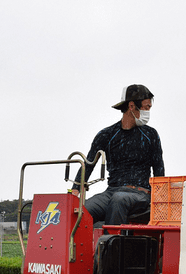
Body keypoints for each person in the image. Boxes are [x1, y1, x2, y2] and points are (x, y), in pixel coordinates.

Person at [71, 84, 165, 225]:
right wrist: (75, 191)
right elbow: (88, 164)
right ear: (132, 106)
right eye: (146, 107)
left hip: (140, 194)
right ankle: (77, 246)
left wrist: (161, 202)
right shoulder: (106, 135)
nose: (148, 112)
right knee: (82, 210)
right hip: (111, 192)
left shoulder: (151, 135)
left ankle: (109, 245)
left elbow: (159, 170)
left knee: (119, 200)